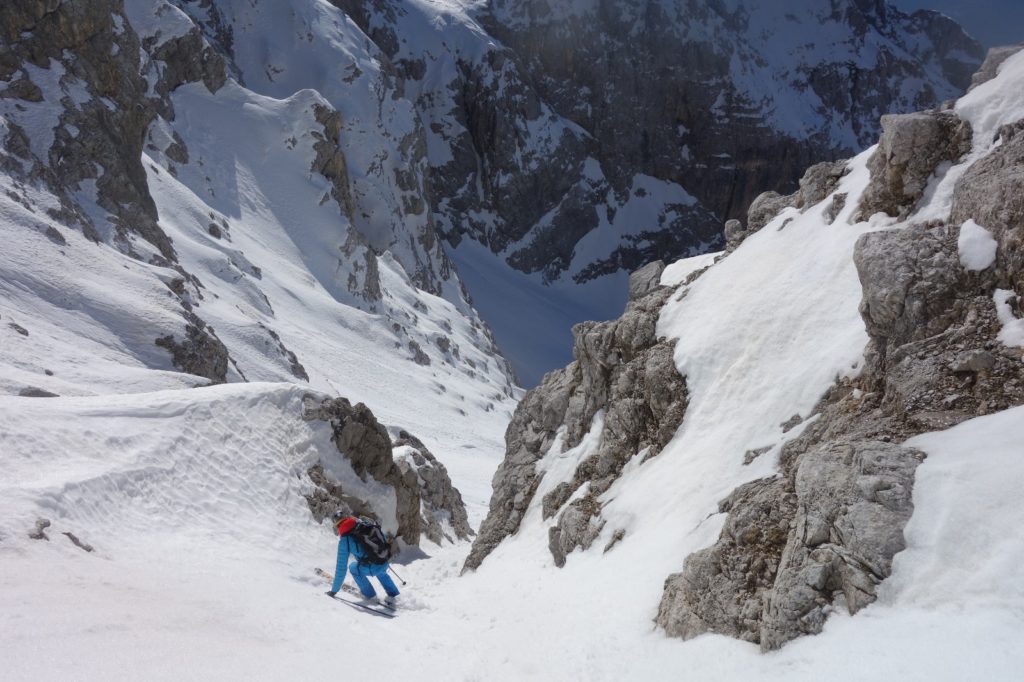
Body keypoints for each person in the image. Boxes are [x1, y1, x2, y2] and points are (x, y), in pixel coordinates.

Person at [325, 513, 400, 605]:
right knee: (379, 568)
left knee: (353, 568)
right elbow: (382, 539)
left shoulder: (345, 541)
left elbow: (341, 567)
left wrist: (334, 591)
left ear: (338, 525)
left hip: (372, 567)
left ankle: (370, 595)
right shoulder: (364, 525)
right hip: (383, 560)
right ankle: (394, 594)